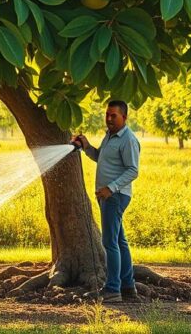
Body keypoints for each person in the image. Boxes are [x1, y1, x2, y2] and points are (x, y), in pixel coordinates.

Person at [71, 99, 141, 303]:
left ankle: (112, 289)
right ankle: (128, 287)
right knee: (120, 242)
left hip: (115, 197)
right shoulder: (110, 136)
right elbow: (101, 157)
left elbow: (133, 170)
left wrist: (110, 189)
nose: (109, 119)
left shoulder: (128, 139)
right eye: (107, 115)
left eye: (114, 116)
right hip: (109, 196)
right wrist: (86, 147)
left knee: (109, 243)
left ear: (124, 117)